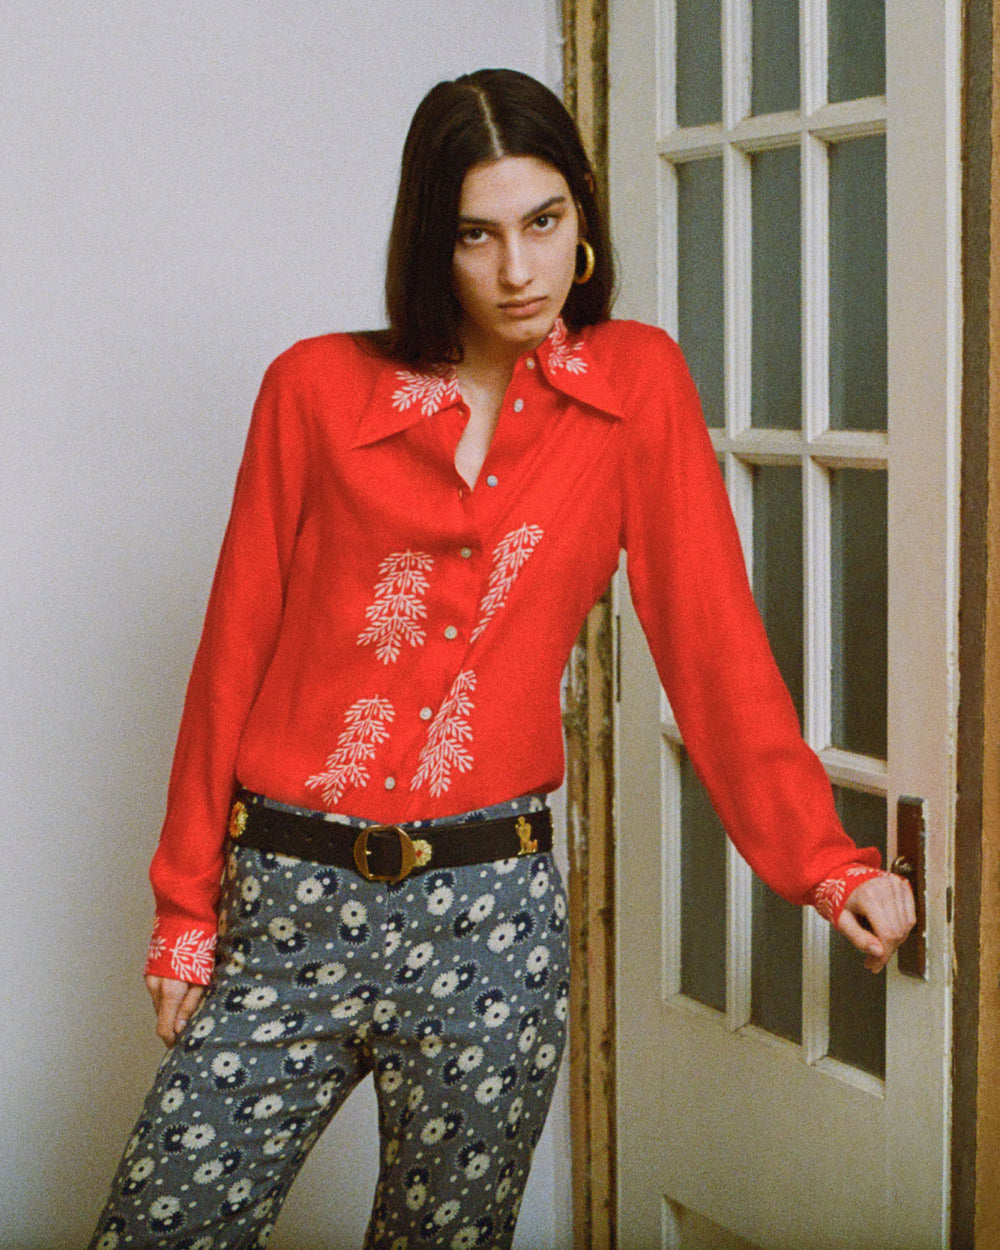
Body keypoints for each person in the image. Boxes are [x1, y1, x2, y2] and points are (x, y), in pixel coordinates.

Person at [88, 67, 915, 1250]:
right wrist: (184, 907)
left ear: (583, 222)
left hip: (492, 916)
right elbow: (232, 654)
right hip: (288, 897)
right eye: (476, 235)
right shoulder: (313, 391)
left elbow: (712, 642)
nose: (516, 269)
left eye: (544, 223)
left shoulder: (635, 389)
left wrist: (824, 860)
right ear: (433, 244)